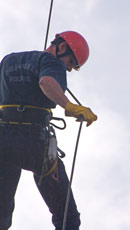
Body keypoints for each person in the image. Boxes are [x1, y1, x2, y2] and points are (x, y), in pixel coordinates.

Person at [0, 31, 97, 230]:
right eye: (71, 62)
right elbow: (46, 82)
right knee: (67, 218)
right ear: (62, 47)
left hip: (2, 141)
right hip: (32, 142)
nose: (69, 69)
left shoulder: (8, 61)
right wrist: (70, 106)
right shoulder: (52, 63)